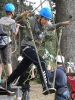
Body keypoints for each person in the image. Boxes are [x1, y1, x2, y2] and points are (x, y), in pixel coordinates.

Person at [0, 7, 71, 95]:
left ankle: (6, 83)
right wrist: (22, 15)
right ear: (40, 17)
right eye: (45, 19)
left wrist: (62, 23)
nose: (46, 22)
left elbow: (52, 27)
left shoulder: (46, 24)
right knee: (42, 62)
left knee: (20, 69)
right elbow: (16, 20)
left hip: (33, 49)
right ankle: (46, 85)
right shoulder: (31, 21)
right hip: (26, 47)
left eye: (48, 20)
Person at [0, 3, 19, 83]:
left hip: (0, 41)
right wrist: (17, 26)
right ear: (12, 12)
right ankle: (10, 81)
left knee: (1, 62)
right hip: (7, 42)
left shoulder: (0, 19)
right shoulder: (12, 21)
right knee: (8, 62)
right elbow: (14, 33)